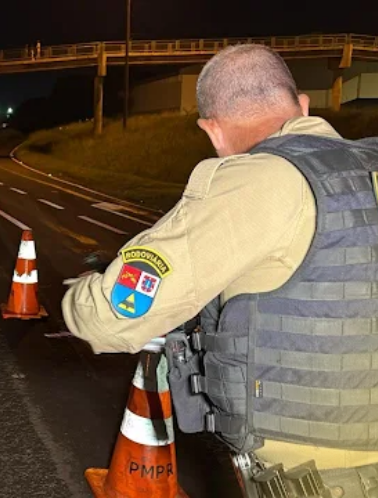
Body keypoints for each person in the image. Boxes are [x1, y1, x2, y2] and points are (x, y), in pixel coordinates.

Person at [62, 44, 378, 495]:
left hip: (325, 483)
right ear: (303, 105)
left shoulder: (258, 182)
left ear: (211, 130)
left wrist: (81, 294)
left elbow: (112, 317)